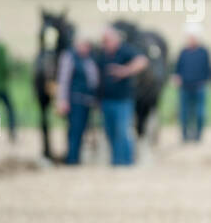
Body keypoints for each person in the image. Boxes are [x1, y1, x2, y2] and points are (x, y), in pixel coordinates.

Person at [96, 25, 149, 165]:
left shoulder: (125, 50)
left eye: (107, 40)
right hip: (106, 100)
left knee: (123, 131)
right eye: (104, 41)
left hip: (122, 100)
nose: (105, 43)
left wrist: (125, 71)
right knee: (110, 132)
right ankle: (116, 160)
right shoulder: (102, 54)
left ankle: (127, 161)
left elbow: (142, 61)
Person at [55, 32, 99, 165]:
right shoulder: (69, 57)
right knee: (75, 130)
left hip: (87, 101)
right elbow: (64, 80)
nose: (86, 48)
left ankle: (76, 158)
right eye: (84, 45)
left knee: (81, 131)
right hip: (75, 100)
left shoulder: (89, 59)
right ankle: (72, 159)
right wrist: (62, 100)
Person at [172, 26, 211, 143]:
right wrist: (176, 77)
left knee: (200, 113)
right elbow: (177, 68)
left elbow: (209, 69)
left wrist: (206, 81)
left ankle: (198, 136)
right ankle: (185, 136)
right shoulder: (183, 52)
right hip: (184, 86)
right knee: (184, 113)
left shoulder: (204, 52)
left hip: (199, 86)